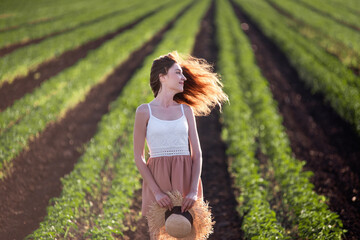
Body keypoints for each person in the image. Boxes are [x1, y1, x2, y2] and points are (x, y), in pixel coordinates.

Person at [133, 51, 228, 239]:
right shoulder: (144, 111)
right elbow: (139, 157)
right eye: (178, 73)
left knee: (187, 233)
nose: (183, 78)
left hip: (185, 177)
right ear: (162, 76)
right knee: (160, 235)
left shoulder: (186, 110)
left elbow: (197, 154)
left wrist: (193, 190)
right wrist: (157, 192)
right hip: (157, 178)